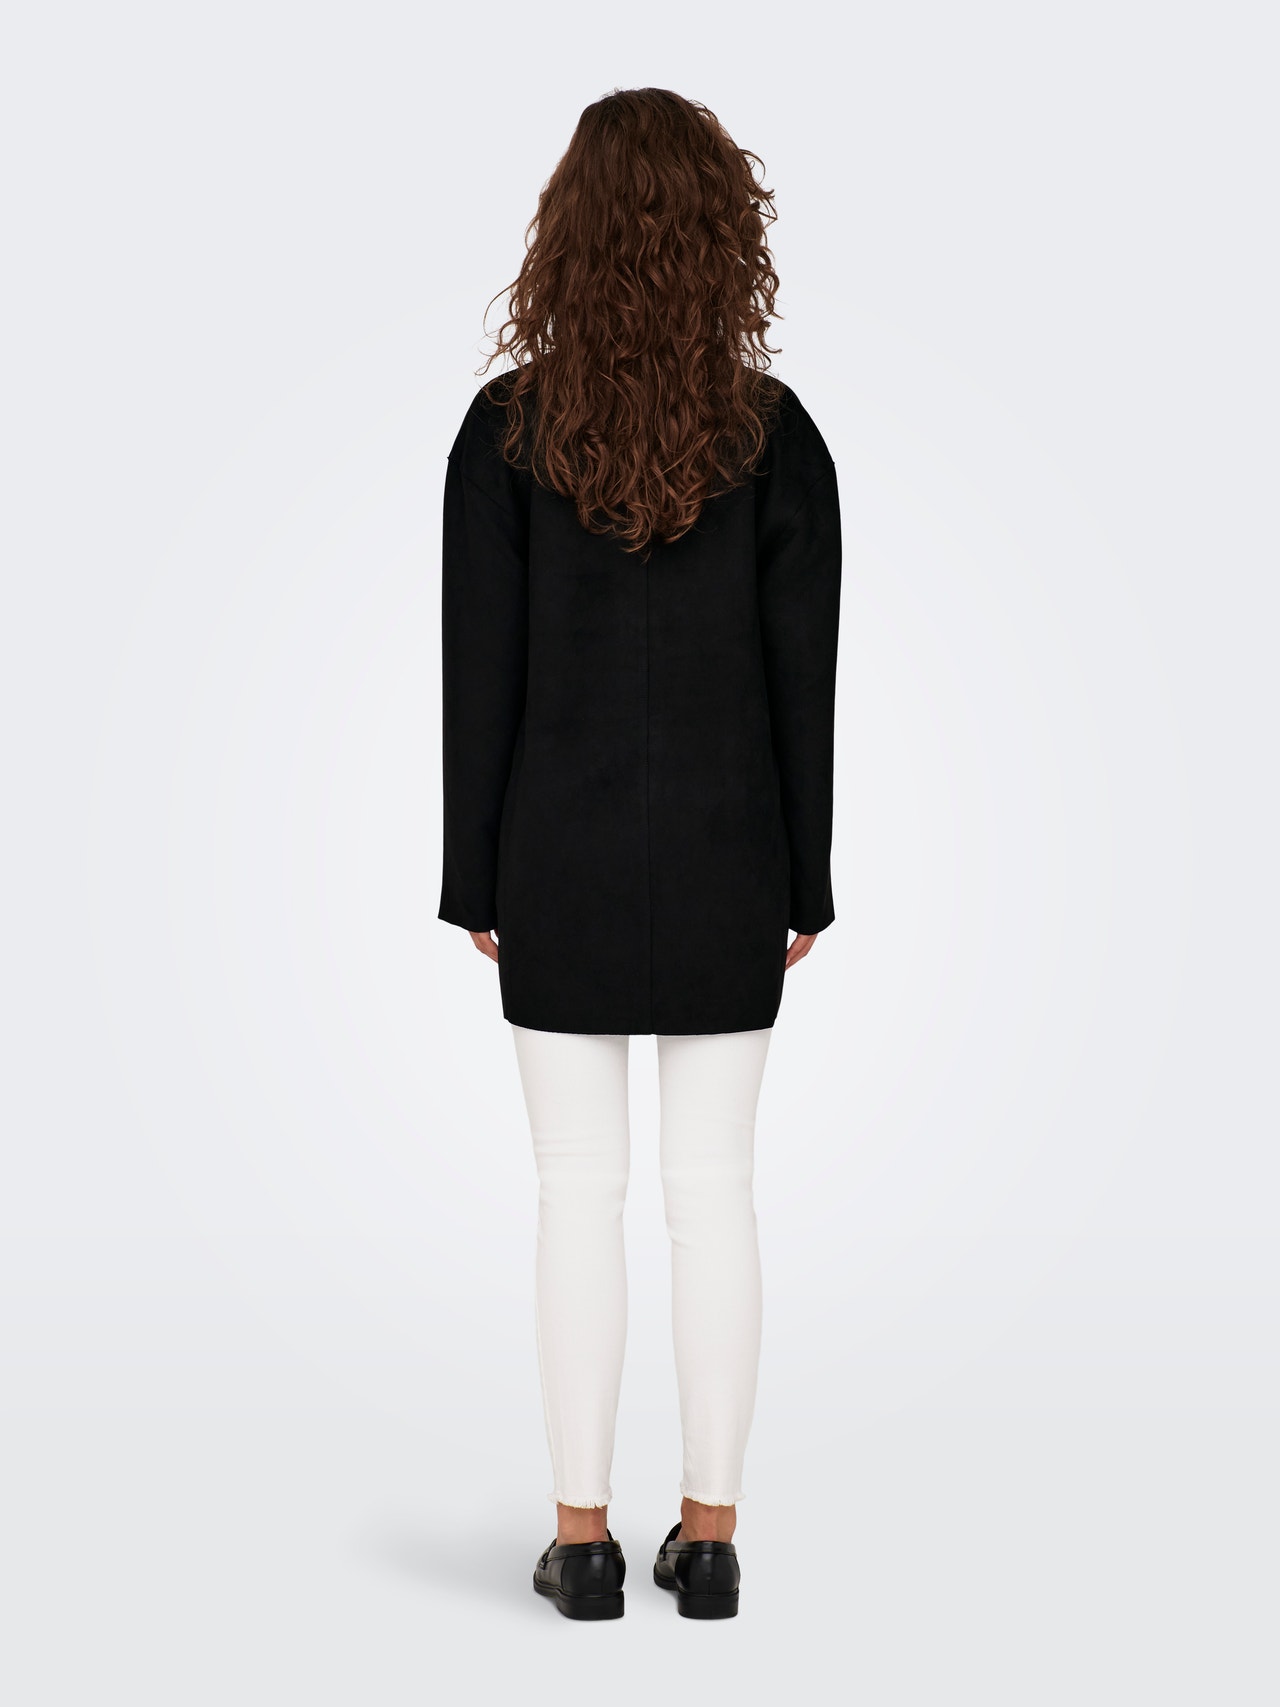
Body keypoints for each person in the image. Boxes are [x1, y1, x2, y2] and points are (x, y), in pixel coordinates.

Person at [438, 87, 841, 1621]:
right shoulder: (775, 437)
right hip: (735, 859)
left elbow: (482, 674)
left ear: (569, 233)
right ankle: (714, 1536)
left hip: (559, 859)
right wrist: (806, 879)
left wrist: (476, 879)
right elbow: (803, 679)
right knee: (717, 1192)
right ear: (726, 236)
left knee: (575, 1193)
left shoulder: (507, 434)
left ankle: (585, 1539)